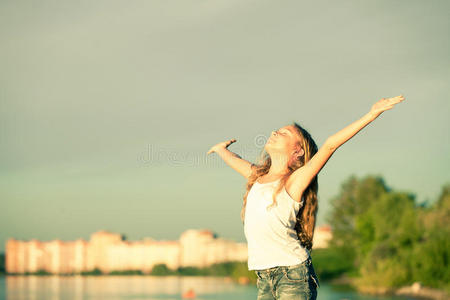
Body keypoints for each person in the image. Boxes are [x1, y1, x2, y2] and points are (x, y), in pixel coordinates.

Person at [206, 95, 406, 300]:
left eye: (284, 133)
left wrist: (371, 114)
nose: (275, 132)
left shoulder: (294, 181)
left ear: (298, 150)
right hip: (264, 277)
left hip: (292, 275)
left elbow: (330, 145)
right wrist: (222, 150)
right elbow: (235, 160)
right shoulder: (257, 177)